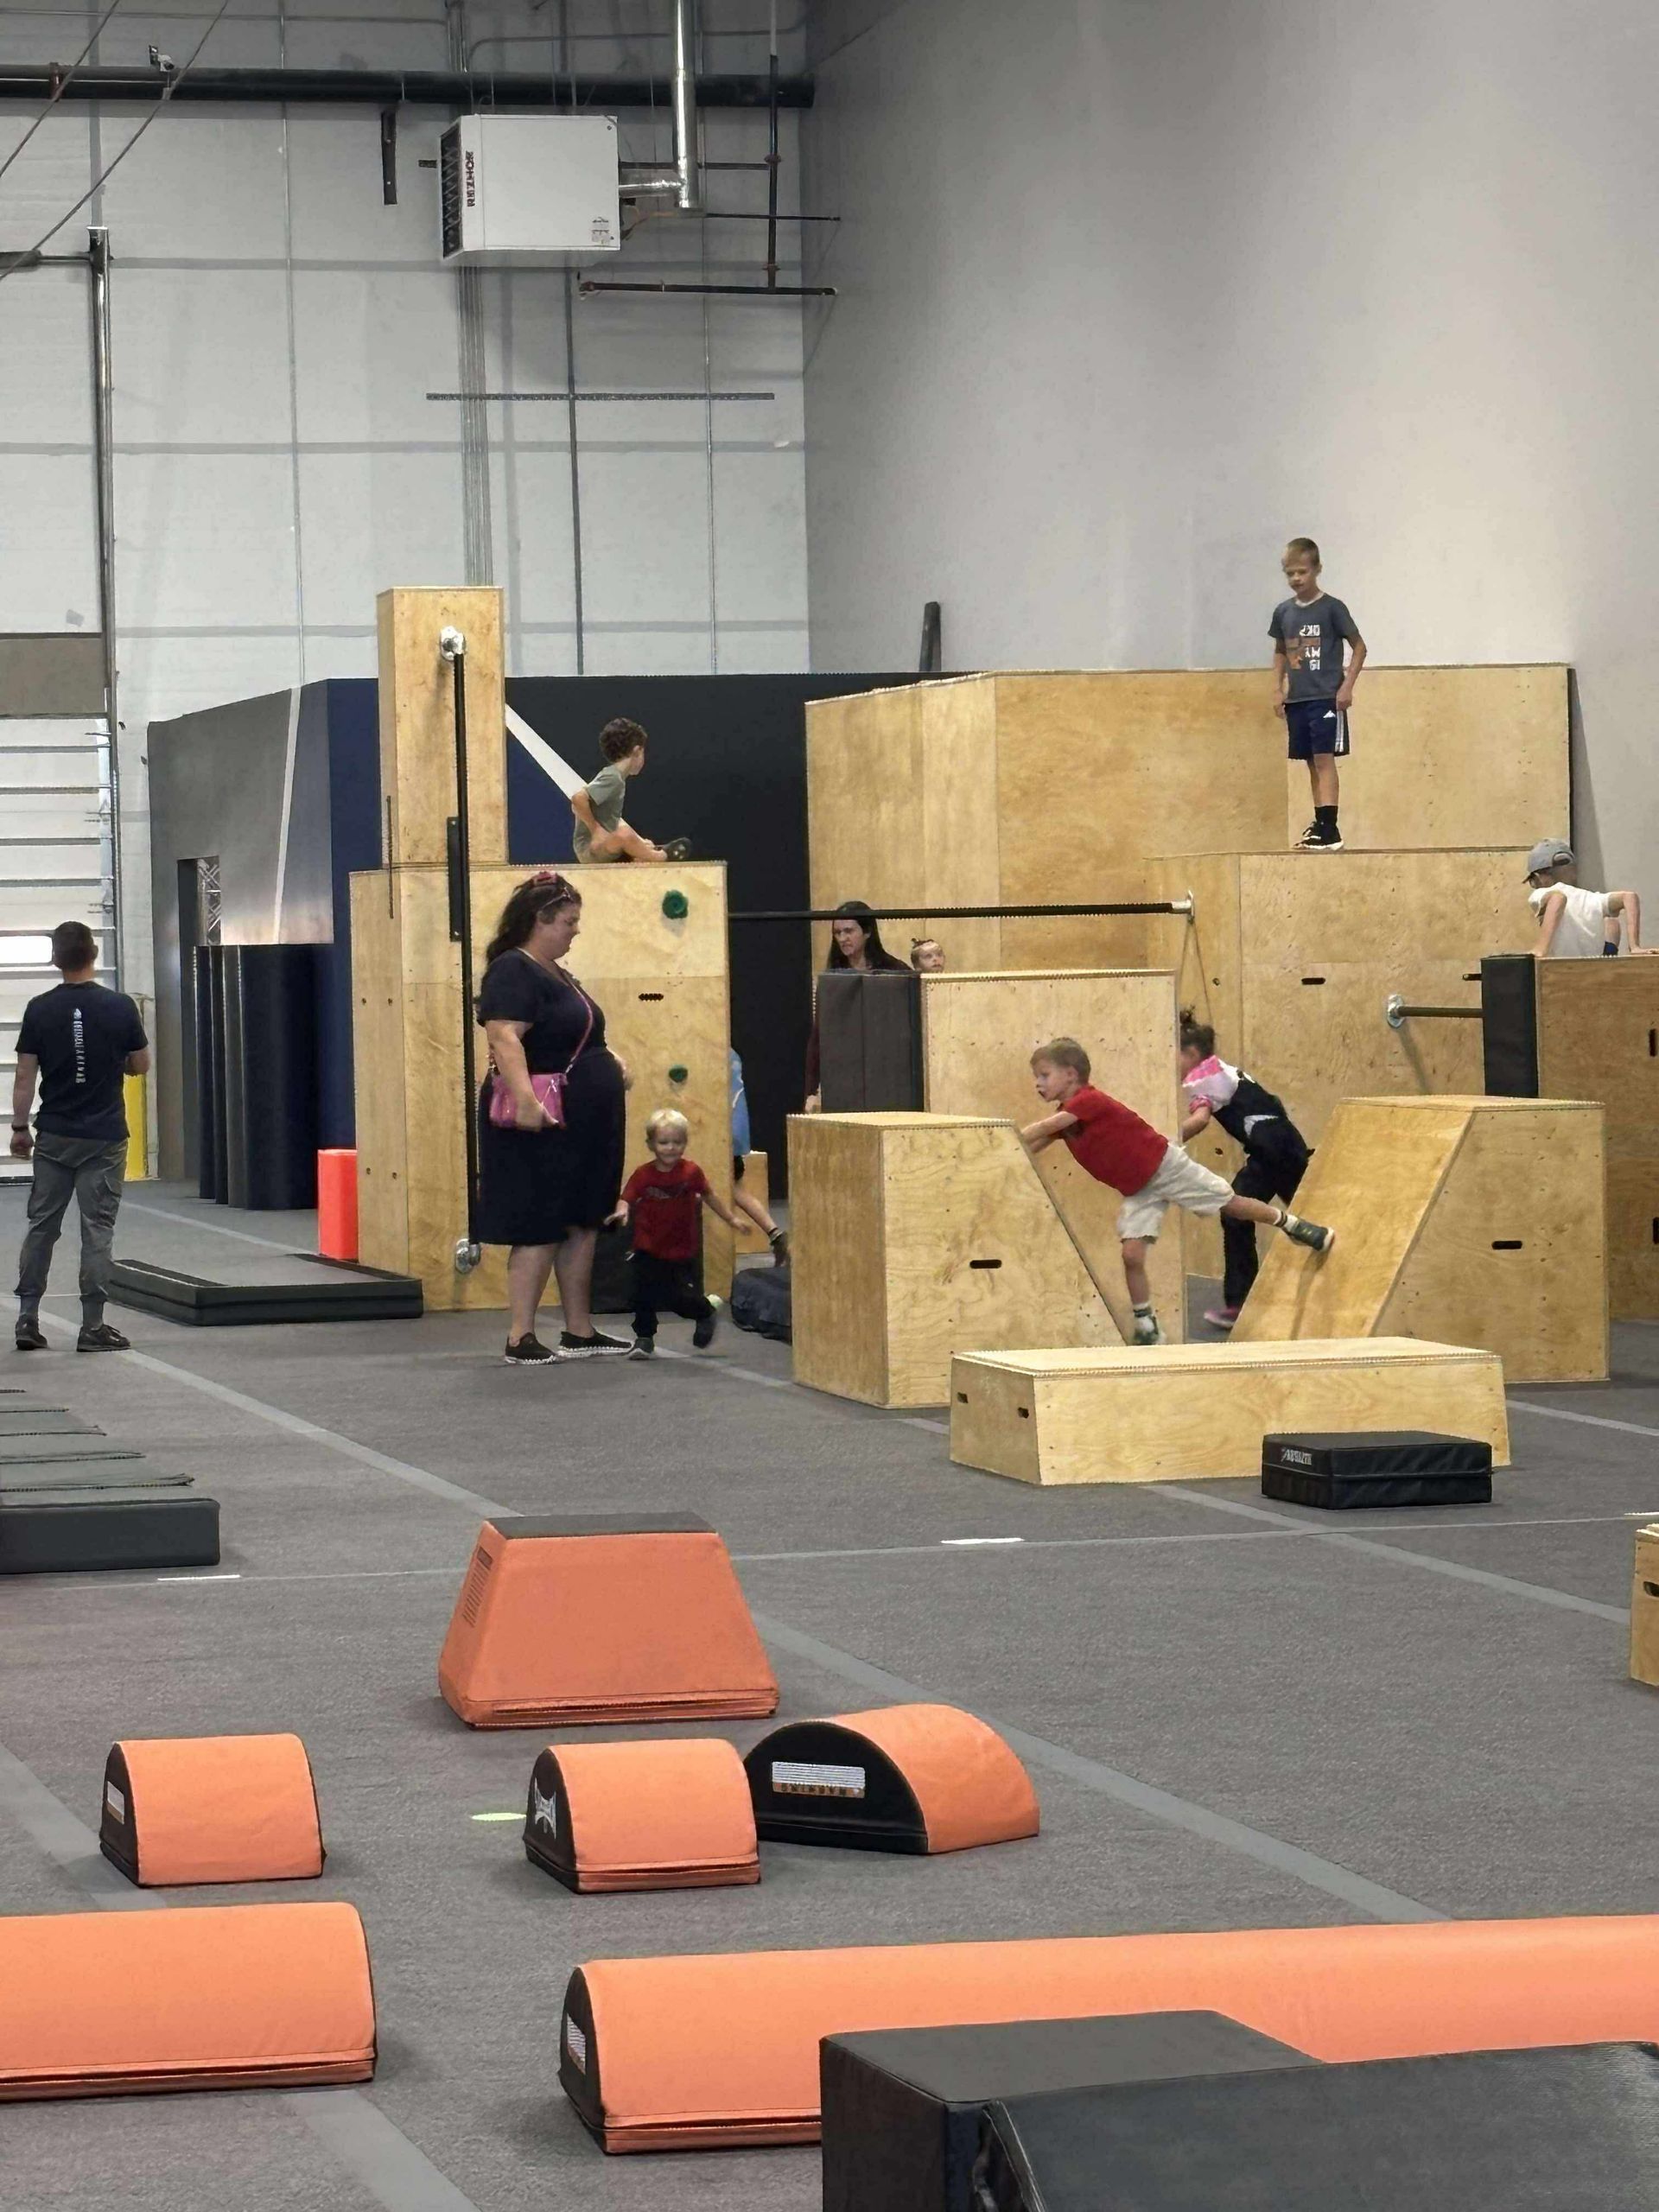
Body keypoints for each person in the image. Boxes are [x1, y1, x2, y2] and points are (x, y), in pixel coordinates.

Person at [1020, 1036, 1333, 1346]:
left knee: (1230, 1204)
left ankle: (1293, 1225)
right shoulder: (1067, 1116)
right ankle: (1146, 1324)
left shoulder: (1088, 1101)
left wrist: (1004, 1137)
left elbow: (1042, 1129)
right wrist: (1010, 1151)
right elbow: (1033, 1145)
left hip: (1166, 1167)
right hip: (1139, 1187)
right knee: (1131, 1254)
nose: (1038, 1084)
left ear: (1071, 1074)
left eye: (1045, 1075)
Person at [475, 871, 632, 1364]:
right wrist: (525, 1102)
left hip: (584, 1121)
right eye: (568, 921)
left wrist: (612, 1063)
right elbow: (503, 1036)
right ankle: (520, 1335)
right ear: (539, 921)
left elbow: (573, 1035)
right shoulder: (512, 969)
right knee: (539, 1221)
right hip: (544, 1120)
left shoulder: (557, 972)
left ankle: (579, 1331)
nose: (574, 931)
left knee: (582, 1220)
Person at [10, 920, 149, 1353]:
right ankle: (92, 1326)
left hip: (54, 1134)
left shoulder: (38, 1008)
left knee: (42, 1226)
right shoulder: (121, 1006)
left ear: (56, 959)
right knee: (97, 1228)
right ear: (93, 954)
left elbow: (24, 1074)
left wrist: (18, 1128)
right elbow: (141, 1065)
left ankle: (28, 1319)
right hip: (104, 1136)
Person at [1178, 1014, 1313, 1330]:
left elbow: (1199, 1121)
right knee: (1236, 1212)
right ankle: (1239, 1304)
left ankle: (1241, 1303)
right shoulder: (1216, 1067)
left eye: (1175, 1052)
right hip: (1272, 1147)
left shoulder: (1201, 1079)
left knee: (1307, 1211)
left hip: (1276, 1148)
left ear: (1193, 1055)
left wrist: (1164, 1140)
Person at [611, 1108, 746, 1358]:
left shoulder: (691, 1173)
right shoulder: (643, 1175)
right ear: (650, 1144)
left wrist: (731, 1218)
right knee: (642, 1293)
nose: (670, 1148)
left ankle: (704, 1312)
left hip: (681, 1248)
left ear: (685, 1143)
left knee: (678, 1299)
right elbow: (626, 1197)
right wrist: (622, 1211)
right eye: (664, 1142)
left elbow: (709, 1196)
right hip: (647, 1246)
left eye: (677, 1142)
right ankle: (644, 1338)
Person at [1270, 537, 1365, 852]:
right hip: (1299, 698)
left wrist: (1347, 685)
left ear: (1317, 569)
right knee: (1310, 761)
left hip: (1326, 696)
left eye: (1302, 572)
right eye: (1290, 574)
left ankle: (1331, 827)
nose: (1296, 579)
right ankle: (1320, 822)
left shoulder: (1332, 608)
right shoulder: (1283, 612)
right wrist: (1277, 688)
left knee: (1324, 758)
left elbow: (1360, 647)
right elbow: (1281, 651)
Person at [804, 899, 912, 1110]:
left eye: (849, 931)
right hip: (843, 1078)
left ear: (867, 932)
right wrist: (810, 1091)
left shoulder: (896, 972)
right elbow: (819, 1037)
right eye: (837, 933)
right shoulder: (830, 979)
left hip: (888, 1079)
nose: (843, 939)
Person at [1524, 839, 1653, 958]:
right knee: (1610, 921)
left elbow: (1557, 898)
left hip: (1562, 966)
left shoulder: (1542, 893)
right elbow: (1629, 897)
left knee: (1609, 922)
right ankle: (1616, 953)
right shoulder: (1590, 898)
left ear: (1538, 877)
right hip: (1592, 964)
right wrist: (1634, 946)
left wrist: (1541, 948)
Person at [569, 717, 671, 865]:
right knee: (625, 836)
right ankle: (663, 857)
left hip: (599, 846)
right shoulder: (613, 778)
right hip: (590, 849)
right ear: (637, 751)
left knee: (629, 837)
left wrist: (640, 842)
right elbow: (577, 800)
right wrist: (596, 830)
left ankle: (644, 853)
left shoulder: (616, 778)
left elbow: (615, 820)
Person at [729, 1048, 787, 1261]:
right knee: (736, 1191)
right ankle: (776, 1234)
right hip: (734, 1135)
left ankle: (776, 1235)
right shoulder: (731, 1054)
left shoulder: (716, 1053)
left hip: (726, 1136)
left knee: (731, 1190)